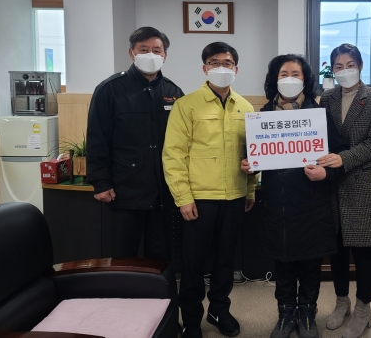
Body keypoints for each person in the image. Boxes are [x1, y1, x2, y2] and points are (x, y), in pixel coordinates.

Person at [240, 54, 347, 338]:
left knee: (311, 264)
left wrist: (326, 173)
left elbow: (339, 158)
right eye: (283, 74)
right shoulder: (262, 116)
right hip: (278, 205)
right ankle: (285, 314)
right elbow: (252, 158)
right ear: (274, 79)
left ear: (305, 79)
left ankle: (308, 313)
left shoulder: (319, 115)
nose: (289, 79)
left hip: (312, 204)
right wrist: (249, 165)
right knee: (283, 265)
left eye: (295, 74)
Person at [162, 42, 257, 338]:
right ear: (204, 68)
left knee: (225, 261)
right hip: (200, 199)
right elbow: (173, 155)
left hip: (235, 197)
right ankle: (191, 319)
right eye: (214, 63)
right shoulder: (186, 105)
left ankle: (219, 310)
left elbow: (253, 156)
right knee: (193, 263)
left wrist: (250, 190)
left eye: (227, 63)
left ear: (236, 69)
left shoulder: (246, 107)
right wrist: (183, 198)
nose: (221, 68)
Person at [87, 26, 184, 262]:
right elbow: (97, 138)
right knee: (123, 256)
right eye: (143, 49)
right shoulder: (109, 89)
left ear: (165, 55)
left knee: (161, 257)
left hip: (162, 193)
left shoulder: (174, 92)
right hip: (124, 192)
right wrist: (100, 182)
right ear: (131, 53)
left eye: (156, 50)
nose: (151, 54)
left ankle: (162, 289)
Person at [317, 44, 371, 338]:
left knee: (364, 250)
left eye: (350, 65)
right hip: (333, 183)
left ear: (360, 66)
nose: (344, 70)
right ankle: (341, 302)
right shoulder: (327, 97)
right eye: (338, 66)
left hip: (363, 182)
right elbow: (319, 136)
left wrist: (343, 159)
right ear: (332, 70)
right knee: (336, 248)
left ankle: (363, 308)